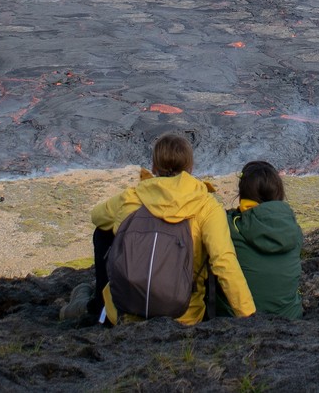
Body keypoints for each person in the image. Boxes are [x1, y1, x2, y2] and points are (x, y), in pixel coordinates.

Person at [63, 133, 256, 325]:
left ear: (154, 167)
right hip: (184, 316)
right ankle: (94, 303)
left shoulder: (133, 197)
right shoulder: (206, 205)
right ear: (190, 167)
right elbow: (224, 262)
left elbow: (96, 216)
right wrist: (249, 318)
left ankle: (98, 305)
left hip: (125, 312)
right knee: (211, 250)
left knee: (102, 232)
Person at [216, 161, 303, 319]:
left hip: (237, 321)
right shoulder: (294, 230)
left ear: (243, 194)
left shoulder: (228, 227)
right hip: (290, 318)